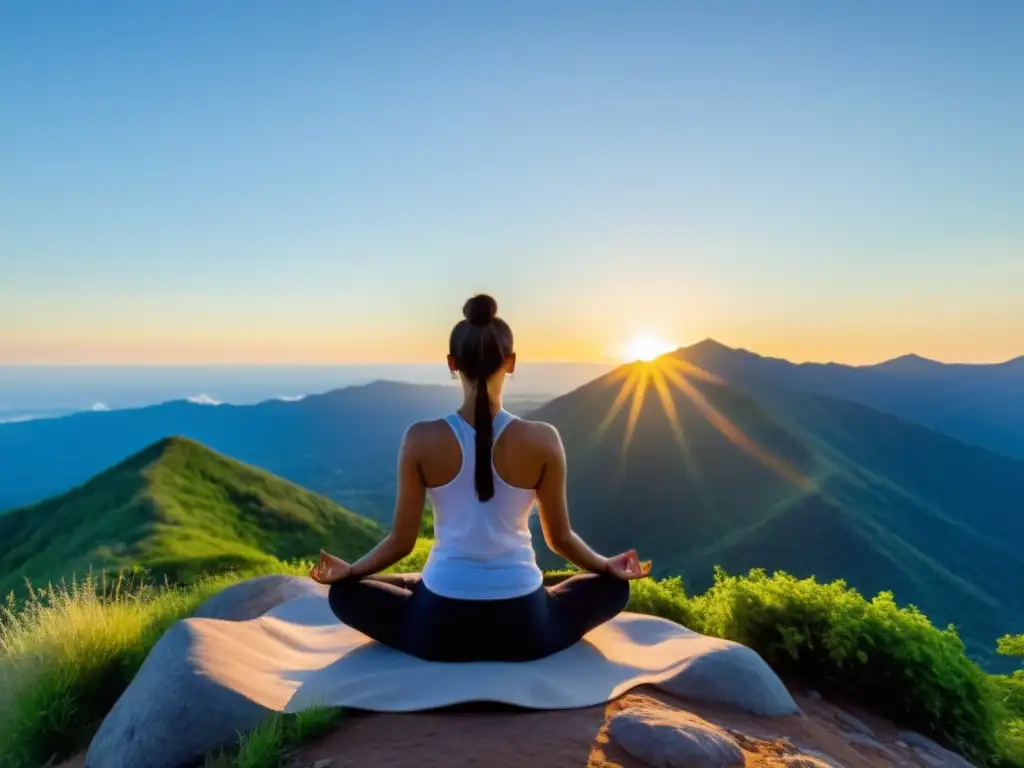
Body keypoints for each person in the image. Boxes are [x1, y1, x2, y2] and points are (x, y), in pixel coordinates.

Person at [310, 293, 650, 663]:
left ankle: (414, 592)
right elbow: (560, 539)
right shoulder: (543, 438)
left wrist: (353, 571)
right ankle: (541, 597)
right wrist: (605, 566)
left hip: (438, 629)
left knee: (344, 594)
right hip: (526, 629)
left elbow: (401, 541)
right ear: (511, 362)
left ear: (452, 364)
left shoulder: (420, 438)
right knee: (614, 590)